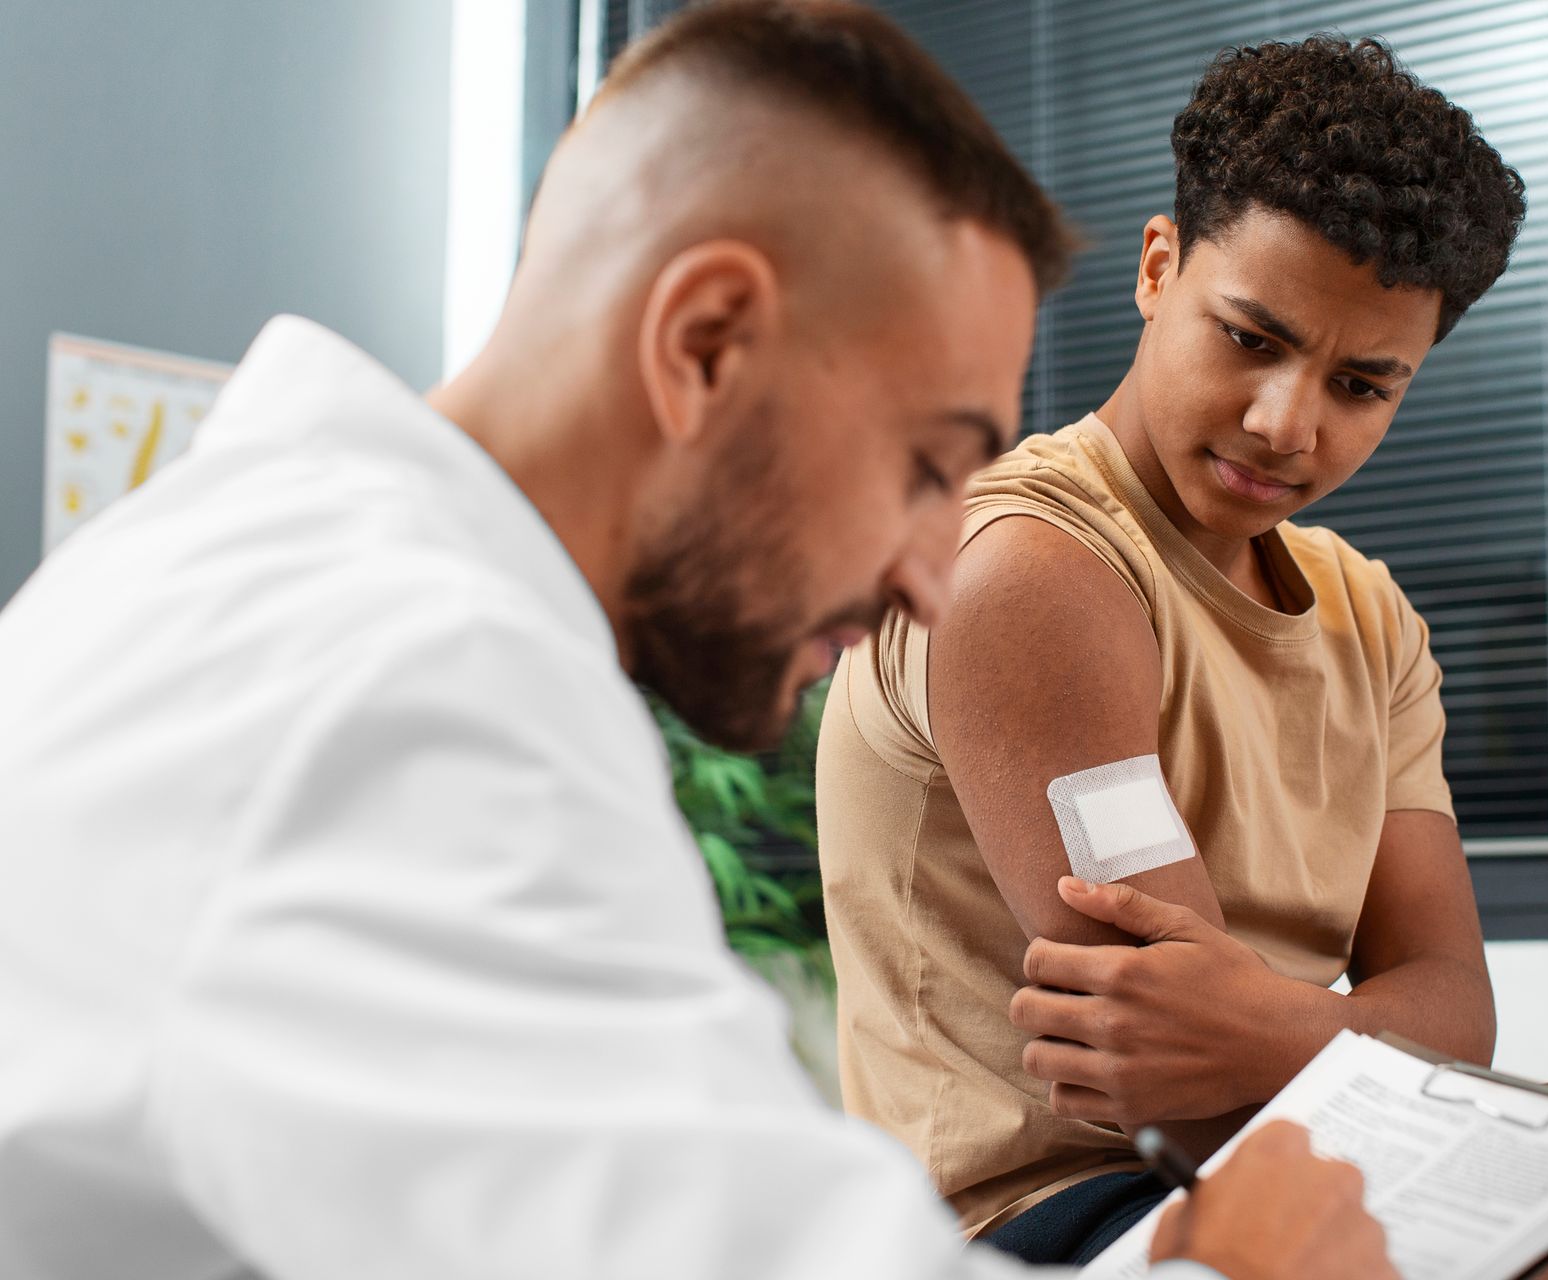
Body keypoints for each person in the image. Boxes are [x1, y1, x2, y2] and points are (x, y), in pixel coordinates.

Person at [0, 4, 1399, 1279]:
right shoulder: (393, 681)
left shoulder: (281, 577)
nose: (928, 583)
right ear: (706, 344)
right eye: (925, 466)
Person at [816, 33, 1548, 1278]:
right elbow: (1166, 1070)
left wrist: (1278, 1022)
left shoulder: (1365, 616)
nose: (1289, 423)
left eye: (1363, 383)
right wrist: (1354, 1041)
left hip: (1309, 1145)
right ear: (1161, 267)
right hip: (1058, 1219)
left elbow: (1453, 1005)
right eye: (1251, 338)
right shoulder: (1030, 570)